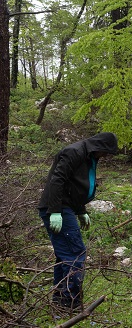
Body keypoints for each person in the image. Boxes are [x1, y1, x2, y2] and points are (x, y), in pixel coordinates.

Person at [37, 132, 119, 311]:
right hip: (58, 208)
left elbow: (74, 187)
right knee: (75, 253)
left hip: (67, 207)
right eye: (106, 153)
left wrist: (81, 210)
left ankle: (60, 299)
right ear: (100, 147)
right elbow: (57, 180)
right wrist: (55, 211)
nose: (105, 157)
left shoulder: (87, 156)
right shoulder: (74, 152)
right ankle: (70, 301)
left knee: (64, 255)